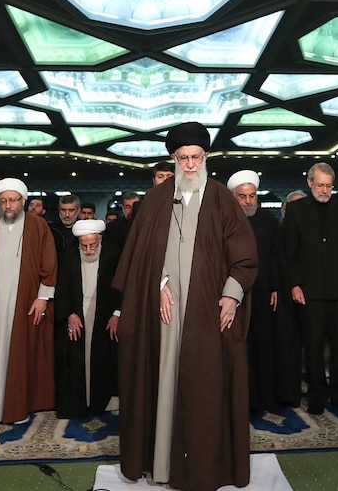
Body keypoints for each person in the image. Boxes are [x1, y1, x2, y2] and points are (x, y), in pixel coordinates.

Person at [113, 121, 257, 491]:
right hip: (166, 309)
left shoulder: (223, 198)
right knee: (162, 381)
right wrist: (156, 284)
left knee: (204, 385)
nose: (190, 164)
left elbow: (244, 257)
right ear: (173, 159)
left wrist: (231, 294)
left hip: (208, 311)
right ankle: (160, 463)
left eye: (196, 157)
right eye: (183, 158)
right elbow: (141, 257)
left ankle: (204, 468)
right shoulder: (156, 200)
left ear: (205, 157)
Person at [0, 178, 58, 428]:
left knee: (20, 353)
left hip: (25, 302)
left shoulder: (38, 226)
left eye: (13, 200)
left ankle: (17, 408)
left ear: (23, 201)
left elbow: (49, 264)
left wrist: (42, 298)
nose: (8, 205)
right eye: (4, 200)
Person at [284, 163, 338, 415]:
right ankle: (317, 397)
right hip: (310, 292)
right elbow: (290, 252)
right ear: (310, 183)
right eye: (320, 185)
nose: (325, 189)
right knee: (314, 346)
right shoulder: (296, 210)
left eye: (329, 185)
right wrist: (294, 284)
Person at [227, 169, 300, 413]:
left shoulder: (268, 221)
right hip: (234, 296)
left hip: (264, 294)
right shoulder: (223, 221)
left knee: (266, 346)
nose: (248, 201)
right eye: (242, 196)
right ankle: (241, 399)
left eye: (252, 196)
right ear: (233, 197)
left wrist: (276, 287)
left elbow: (278, 257)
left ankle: (266, 397)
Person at [54, 219, 121, 418]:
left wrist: (117, 313)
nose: (89, 250)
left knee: (103, 359)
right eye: (85, 246)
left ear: (100, 240)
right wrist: (69, 314)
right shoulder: (69, 256)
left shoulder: (113, 255)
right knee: (75, 359)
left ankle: (102, 404)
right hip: (78, 313)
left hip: (104, 315)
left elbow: (121, 288)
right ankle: (77, 405)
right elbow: (62, 288)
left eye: (93, 245)